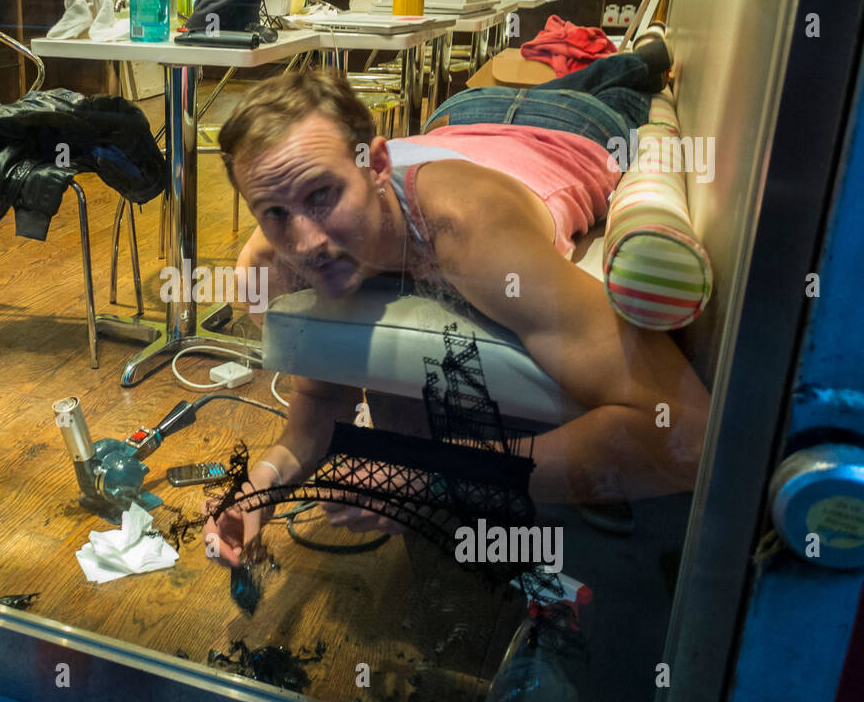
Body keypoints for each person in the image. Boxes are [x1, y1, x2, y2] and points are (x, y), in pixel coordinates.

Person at [203, 38, 711, 568]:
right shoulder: (272, 259)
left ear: (378, 165)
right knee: (560, 70)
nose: (306, 243)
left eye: (322, 195)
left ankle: (634, 63)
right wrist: (261, 483)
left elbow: (684, 433)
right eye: (275, 213)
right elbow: (323, 399)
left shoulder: (470, 232)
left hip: (571, 124)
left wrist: (433, 475)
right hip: (460, 115)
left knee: (608, 70)